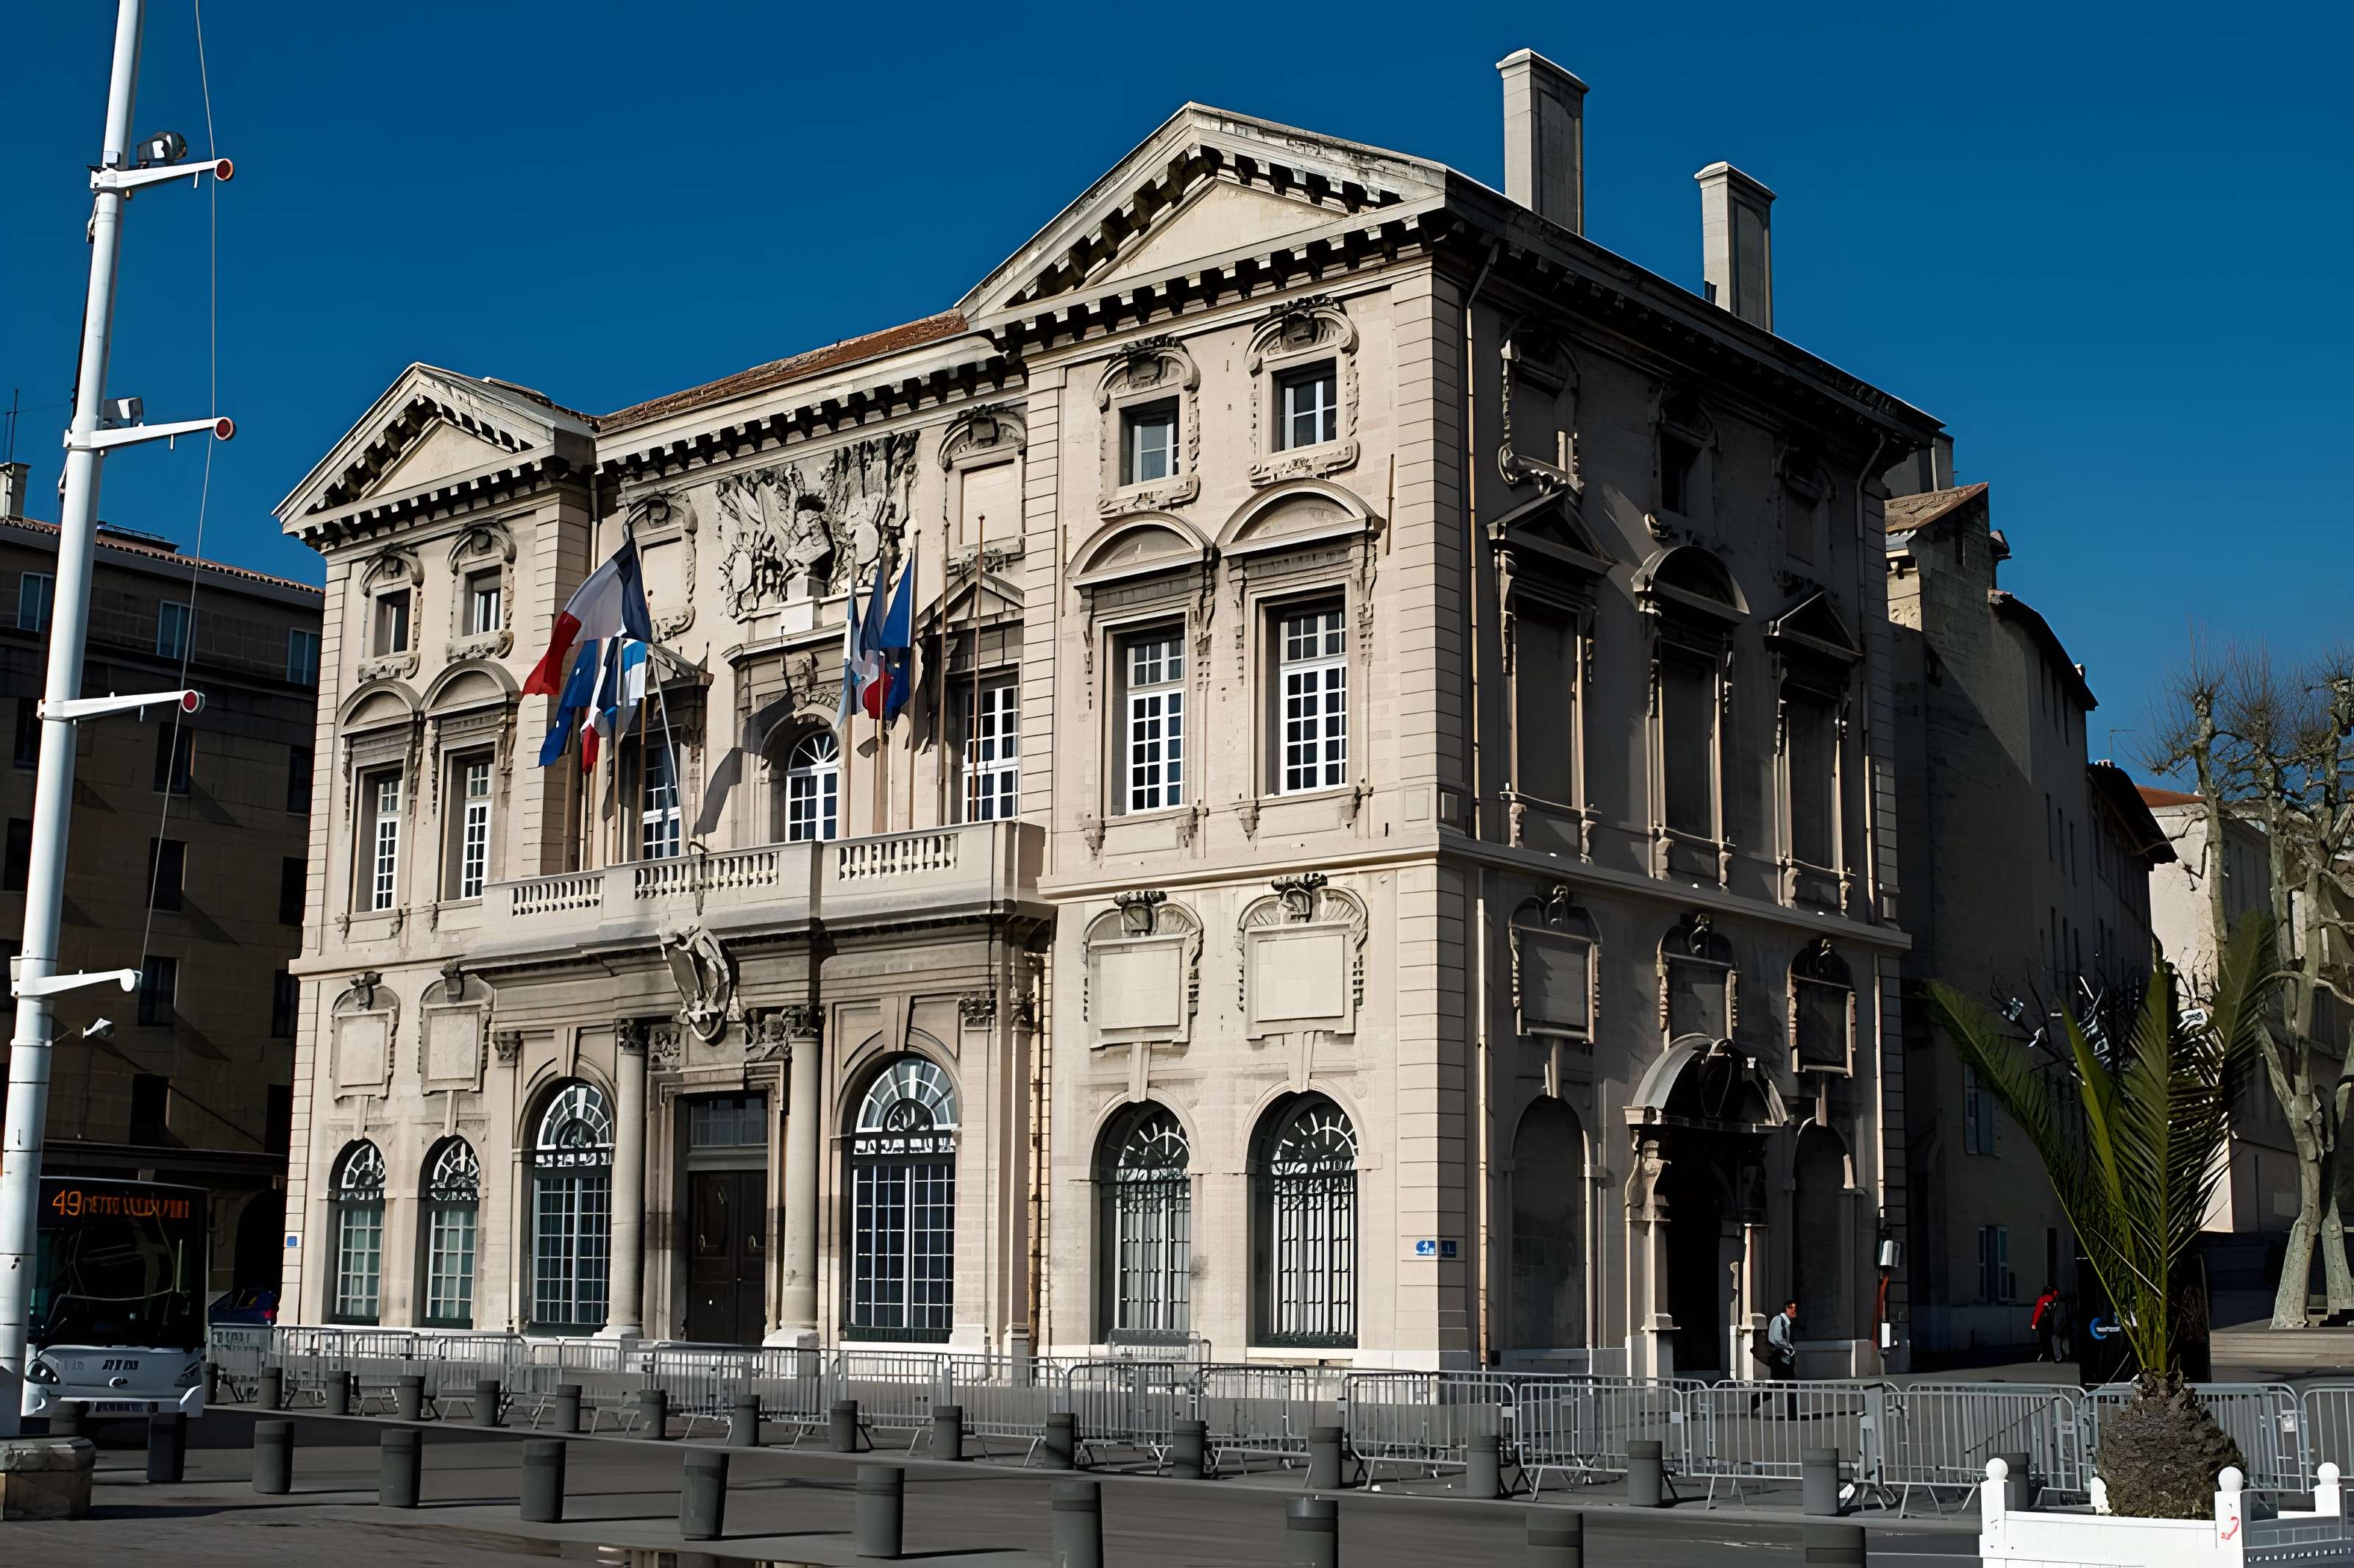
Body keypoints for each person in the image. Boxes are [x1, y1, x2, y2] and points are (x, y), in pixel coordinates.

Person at [1752, 1300, 1799, 1416]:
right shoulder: (1780, 1320)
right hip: (1780, 1360)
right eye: (1792, 1308)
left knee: (1779, 1386)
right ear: (1786, 1309)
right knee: (1789, 1386)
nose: (1794, 1311)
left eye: (1795, 1308)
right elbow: (1778, 1339)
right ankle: (1792, 1414)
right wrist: (1789, 1347)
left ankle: (1755, 1402)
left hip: (1783, 1359)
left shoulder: (1786, 1322)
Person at [2031, 1285, 2060, 1362]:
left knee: (2043, 1340)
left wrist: (2034, 1324)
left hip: (2042, 1323)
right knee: (2051, 1339)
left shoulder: (2042, 1299)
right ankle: (2053, 1356)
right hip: (2051, 1322)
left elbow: (2038, 1312)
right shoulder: (2053, 1298)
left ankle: (2043, 1355)